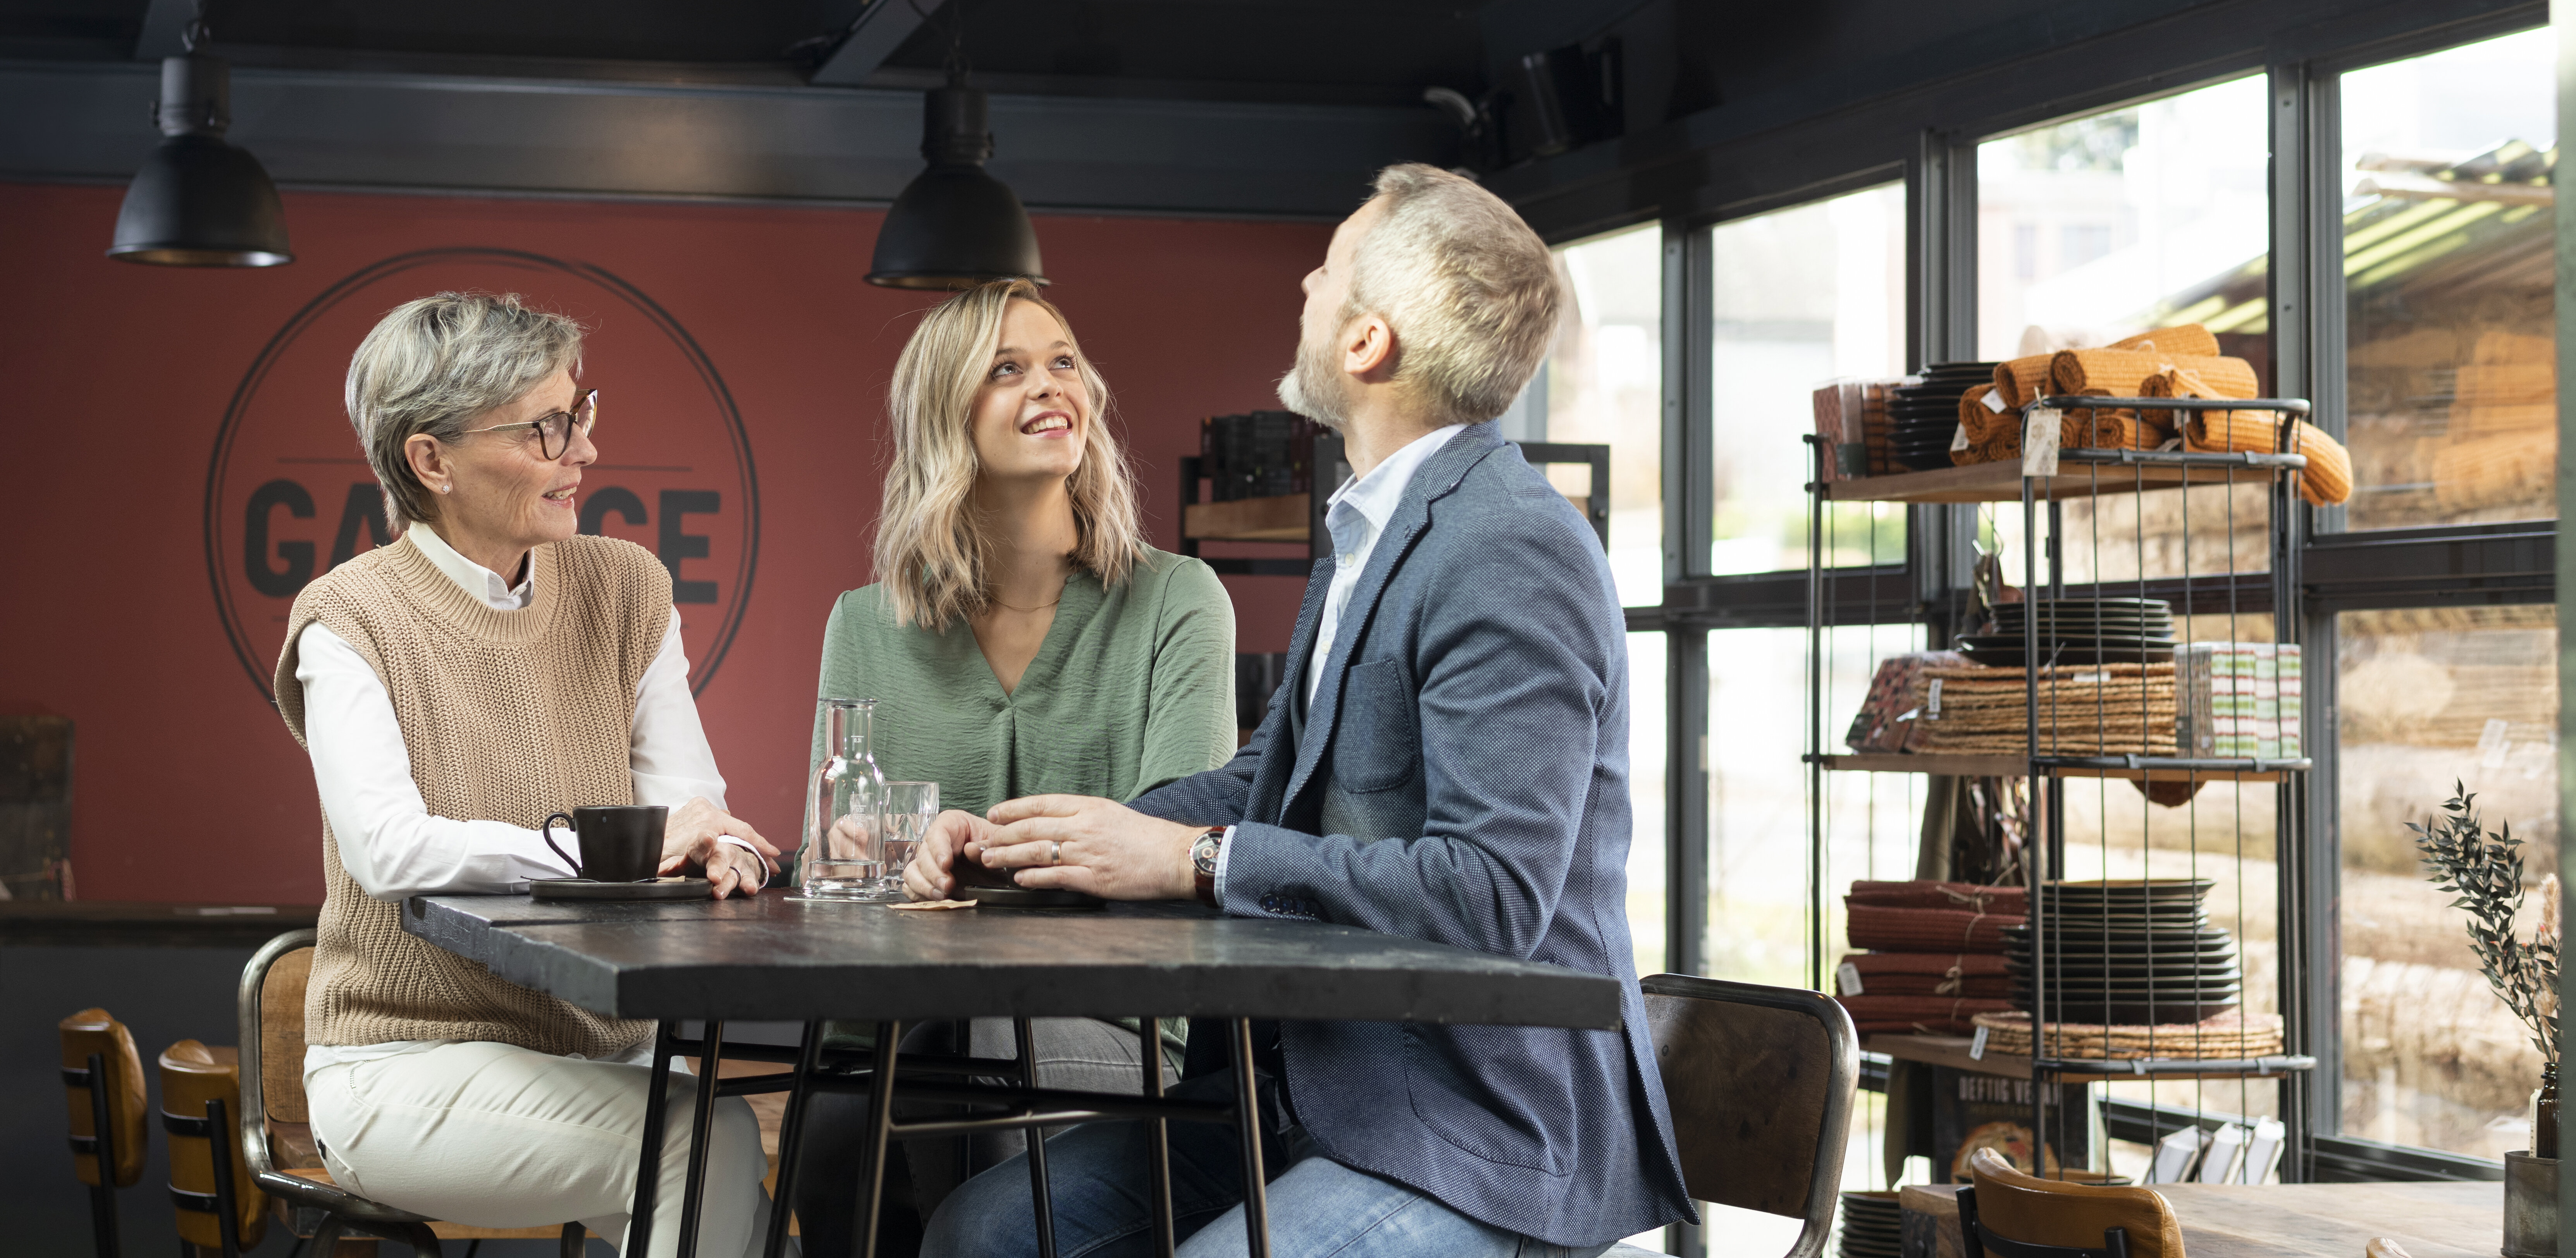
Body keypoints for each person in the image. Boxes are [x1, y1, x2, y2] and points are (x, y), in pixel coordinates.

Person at [904, 164, 1693, 1258]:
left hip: (1480, 1133)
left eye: (1325, 272)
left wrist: (1199, 859)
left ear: (1366, 343)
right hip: (1321, 1101)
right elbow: (1265, 778)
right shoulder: (1379, 527)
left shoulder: (1508, 547)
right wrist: (1024, 844)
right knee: (981, 1232)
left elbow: (1492, 893)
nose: (1305, 284)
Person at [273, 292, 781, 1257]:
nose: (583, 451)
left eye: (580, 413)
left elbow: (686, 806)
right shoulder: (350, 618)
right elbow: (388, 850)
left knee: (756, 1196)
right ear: (432, 460)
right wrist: (612, 847)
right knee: (704, 1141)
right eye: (547, 428)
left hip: (610, 1053)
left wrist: (716, 843)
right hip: (400, 1069)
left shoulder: (627, 584)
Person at [792, 278, 1237, 1249]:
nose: (1051, 386)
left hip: (1116, 1028)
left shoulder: (1179, 602)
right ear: (946, 417)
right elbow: (817, 869)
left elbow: (1170, 846)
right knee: (838, 1110)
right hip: (898, 1030)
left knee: (984, 1039)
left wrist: (962, 853)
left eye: (1063, 361)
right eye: (1008, 369)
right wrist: (860, 856)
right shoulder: (863, 623)